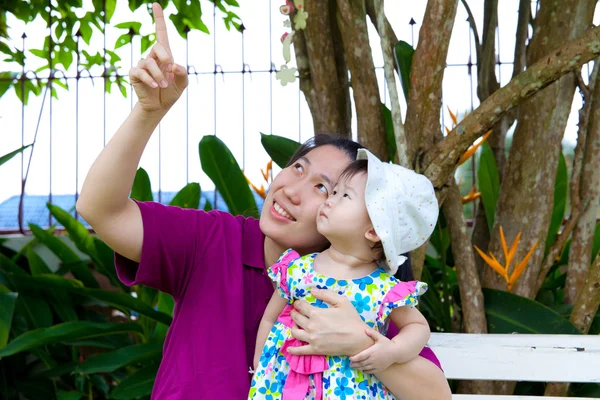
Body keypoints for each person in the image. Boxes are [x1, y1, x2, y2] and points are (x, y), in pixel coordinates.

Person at [76, 3, 452, 399]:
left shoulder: (364, 286)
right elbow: (99, 210)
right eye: (298, 168)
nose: (291, 189)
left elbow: (435, 395)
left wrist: (358, 342)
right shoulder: (213, 240)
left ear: (368, 226)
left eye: (326, 189)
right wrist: (148, 112)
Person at [250, 150, 438, 399]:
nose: (329, 200)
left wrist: (392, 352)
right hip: (285, 387)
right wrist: (260, 369)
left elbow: (417, 326)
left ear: (373, 230)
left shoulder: (383, 288)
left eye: (344, 195)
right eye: (334, 191)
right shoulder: (297, 268)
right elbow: (269, 319)